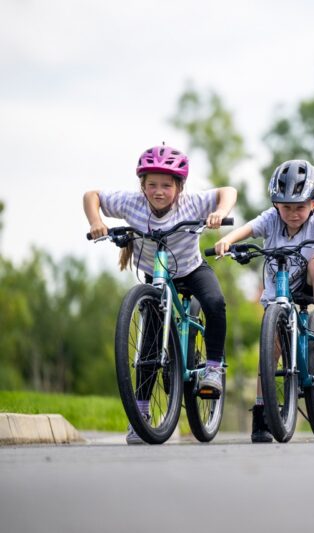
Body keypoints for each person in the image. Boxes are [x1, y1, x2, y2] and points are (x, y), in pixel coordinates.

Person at [84, 144, 237, 445]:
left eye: (167, 185)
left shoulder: (191, 203)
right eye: (152, 184)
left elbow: (227, 191)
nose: (159, 191)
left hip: (192, 270)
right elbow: (93, 196)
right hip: (156, 276)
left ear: (179, 187)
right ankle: (140, 416)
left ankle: (214, 369)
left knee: (215, 303)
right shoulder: (132, 203)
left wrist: (220, 212)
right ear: (142, 185)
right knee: (149, 348)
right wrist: (96, 221)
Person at [213, 159, 314, 443]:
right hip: (278, 292)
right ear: (277, 204)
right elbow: (250, 229)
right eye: (287, 207)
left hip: (308, 285)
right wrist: (228, 240)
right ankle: (262, 414)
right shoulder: (271, 219)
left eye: (300, 207)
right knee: (270, 351)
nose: (293, 213)